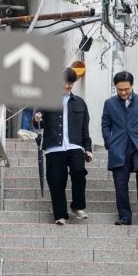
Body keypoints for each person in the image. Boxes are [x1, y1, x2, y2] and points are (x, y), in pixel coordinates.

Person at [34, 68, 93, 226]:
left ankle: (78, 206)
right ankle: (61, 215)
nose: (67, 86)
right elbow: (36, 122)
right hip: (54, 147)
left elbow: (85, 129)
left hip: (75, 146)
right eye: (64, 82)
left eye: (70, 83)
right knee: (56, 180)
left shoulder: (80, 103)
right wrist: (37, 117)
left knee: (79, 172)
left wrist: (88, 148)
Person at [101, 70, 138, 225]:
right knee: (120, 181)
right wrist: (109, 142)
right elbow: (105, 125)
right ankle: (125, 216)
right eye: (120, 89)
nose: (123, 92)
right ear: (115, 87)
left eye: (126, 89)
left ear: (132, 85)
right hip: (118, 147)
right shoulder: (109, 103)